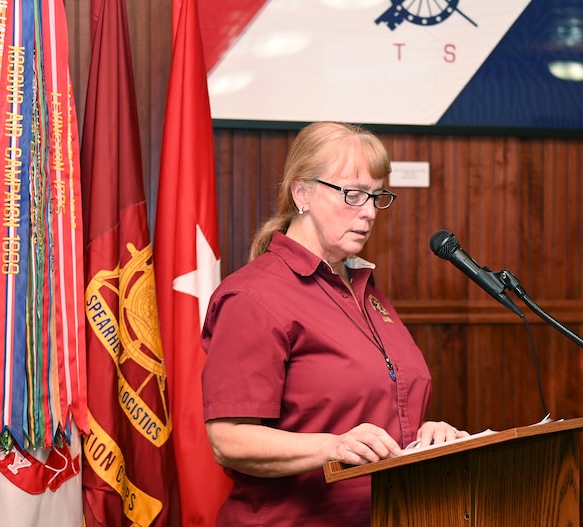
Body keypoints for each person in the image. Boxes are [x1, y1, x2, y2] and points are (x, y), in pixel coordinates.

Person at [200, 121, 468, 526]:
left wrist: (426, 438)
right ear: (301, 193)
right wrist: (333, 447)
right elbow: (228, 440)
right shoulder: (253, 296)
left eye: (376, 197)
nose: (368, 213)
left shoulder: (364, 289)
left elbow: (376, 409)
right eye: (353, 194)